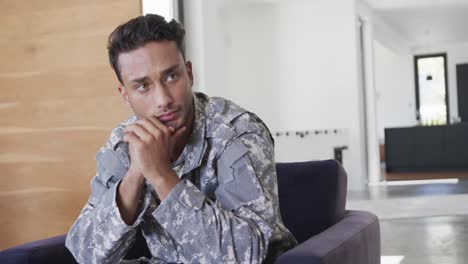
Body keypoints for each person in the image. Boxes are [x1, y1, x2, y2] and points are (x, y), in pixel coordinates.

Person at [65, 14, 297, 264]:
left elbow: (244, 255)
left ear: (189, 74)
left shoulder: (237, 131)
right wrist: (135, 173)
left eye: (171, 77)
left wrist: (160, 174)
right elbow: (86, 255)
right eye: (143, 86)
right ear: (125, 95)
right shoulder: (125, 142)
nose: (163, 99)